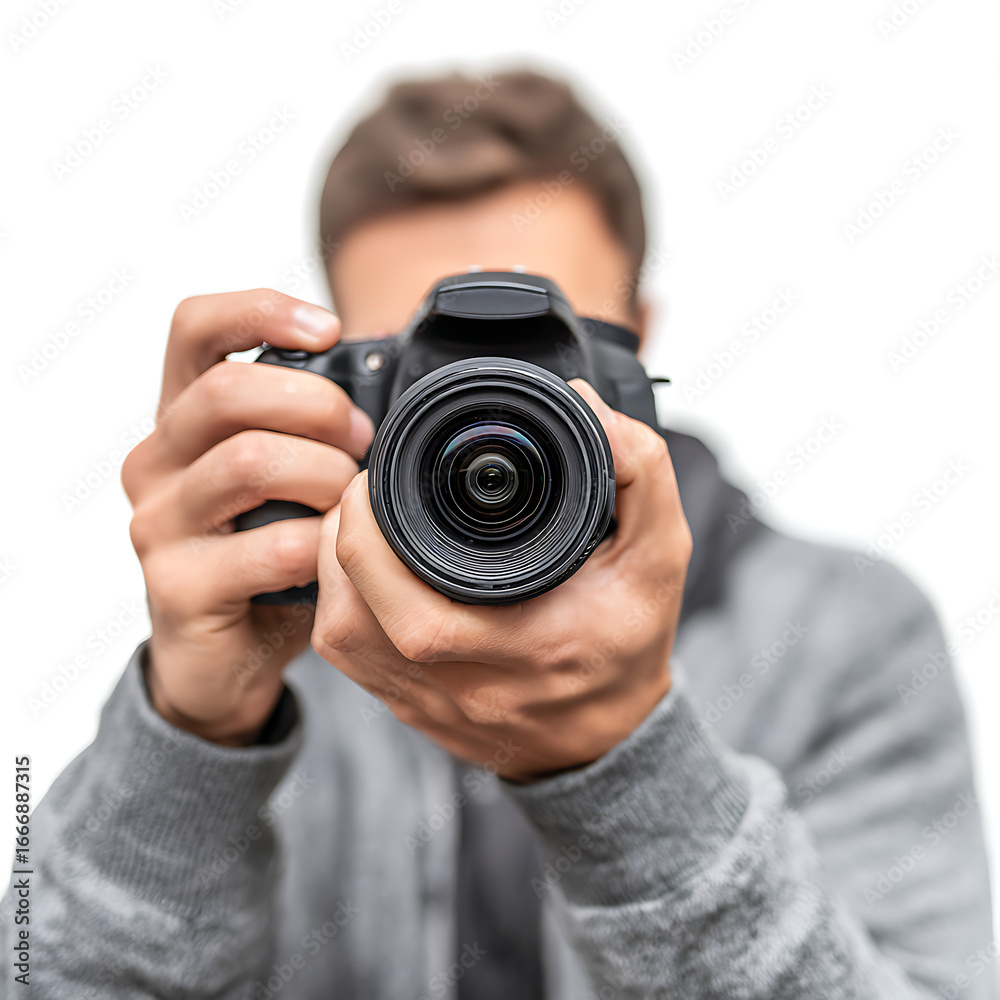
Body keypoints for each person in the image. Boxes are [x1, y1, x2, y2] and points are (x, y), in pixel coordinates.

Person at [2, 70, 994, 999]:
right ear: (340, 370)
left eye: (540, 362)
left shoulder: (840, 630)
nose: (488, 421)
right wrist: (190, 737)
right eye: (425, 374)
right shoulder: (278, 616)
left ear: (637, 348)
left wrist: (629, 760)